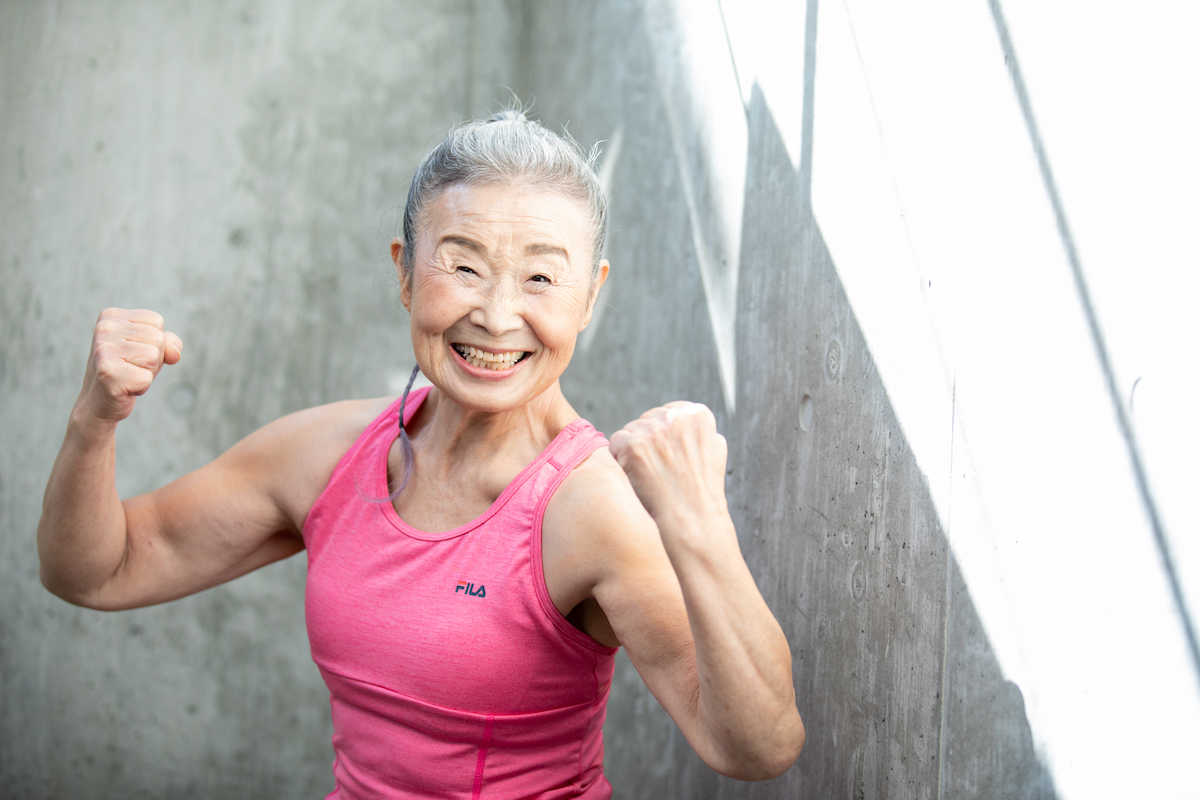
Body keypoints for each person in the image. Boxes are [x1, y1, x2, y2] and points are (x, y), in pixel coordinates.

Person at [38, 110, 804, 798]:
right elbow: (98, 570)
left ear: (590, 297)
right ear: (405, 272)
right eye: (463, 265)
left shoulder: (590, 511)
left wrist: (698, 523)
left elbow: (758, 747)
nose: (497, 315)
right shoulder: (324, 455)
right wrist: (94, 420)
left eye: (541, 277)